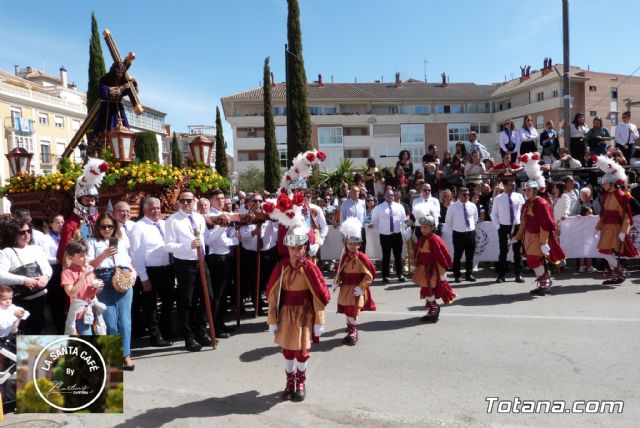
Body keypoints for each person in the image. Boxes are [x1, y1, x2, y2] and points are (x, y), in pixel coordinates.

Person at [266, 223, 330, 402]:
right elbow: (273, 293)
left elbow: (319, 296)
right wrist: (272, 319)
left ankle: (301, 382)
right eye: (291, 248)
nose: (295, 252)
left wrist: (320, 321)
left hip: (304, 314)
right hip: (286, 314)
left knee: (302, 350)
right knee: (287, 350)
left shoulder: (310, 268)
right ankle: (289, 381)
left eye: (298, 248)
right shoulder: (282, 267)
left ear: (305, 248)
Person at [165, 189, 214, 352]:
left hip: (201, 261)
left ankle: (201, 329)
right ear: (178, 202)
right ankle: (188, 336)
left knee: (209, 296)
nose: (186, 203)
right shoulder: (173, 221)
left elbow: (206, 238)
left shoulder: (199, 218)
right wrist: (188, 245)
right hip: (184, 263)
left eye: (189, 200)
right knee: (187, 301)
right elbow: (169, 245)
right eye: (183, 200)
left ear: (195, 201)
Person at [512, 153, 565, 295]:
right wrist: (516, 237)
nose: (526, 192)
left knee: (534, 259)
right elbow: (523, 223)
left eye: (528, 190)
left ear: (535, 190)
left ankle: (545, 281)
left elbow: (545, 224)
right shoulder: (527, 204)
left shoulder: (541, 203)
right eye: (525, 190)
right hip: (529, 237)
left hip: (538, 237)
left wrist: (543, 242)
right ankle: (543, 281)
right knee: (532, 261)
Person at [88, 211, 136, 369]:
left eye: (110, 226)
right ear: (98, 228)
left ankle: (126, 355)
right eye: (103, 227)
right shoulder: (92, 241)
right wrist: (104, 255)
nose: (107, 229)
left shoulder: (121, 240)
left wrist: (133, 273)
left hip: (123, 276)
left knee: (125, 319)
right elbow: (89, 265)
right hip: (103, 277)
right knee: (109, 320)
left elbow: (128, 260)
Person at [130, 197, 176, 347]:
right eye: (152, 208)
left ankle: (166, 330)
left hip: (167, 269)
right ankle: (155, 335)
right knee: (150, 306)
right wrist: (144, 278)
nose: (156, 211)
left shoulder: (164, 224)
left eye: (158, 208)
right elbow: (136, 255)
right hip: (150, 271)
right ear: (144, 210)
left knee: (168, 301)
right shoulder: (139, 227)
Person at [592, 155, 639, 284]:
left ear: (611, 183)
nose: (603, 185)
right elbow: (604, 214)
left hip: (615, 228)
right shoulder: (607, 195)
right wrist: (597, 228)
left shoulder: (621, 196)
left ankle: (620, 270)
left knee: (605, 252)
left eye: (605, 182)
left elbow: (626, 216)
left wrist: (624, 231)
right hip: (607, 227)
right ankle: (617, 274)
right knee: (606, 252)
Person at [0, 219, 51, 334]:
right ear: (13, 234)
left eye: (28, 231)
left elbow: (47, 268)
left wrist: (46, 277)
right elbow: (1, 275)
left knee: (37, 330)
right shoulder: (6, 252)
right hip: (21, 300)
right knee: (23, 333)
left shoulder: (36, 248)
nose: (26, 234)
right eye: (22, 232)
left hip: (40, 296)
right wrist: (24, 280)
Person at [57, 159, 109, 263]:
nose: (90, 203)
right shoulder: (70, 225)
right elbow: (65, 252)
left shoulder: (101, 220)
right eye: (87, 200)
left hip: (103, 263)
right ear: (80, 201)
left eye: (92, 200)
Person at [334, 217, 376, 345]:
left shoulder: (362, 258)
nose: (352, 246)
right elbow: (340, 272)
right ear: (346, 244)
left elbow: (370, 275)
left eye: (355, 244)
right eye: (350, 244)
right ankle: (350, 328)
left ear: (359, 245)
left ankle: (353, 331)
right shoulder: (345, 257)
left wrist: (361, 287)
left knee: (353, 310)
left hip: (357, 289)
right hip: (346, 288)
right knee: (347, 309)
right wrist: (337, 281)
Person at [411, 205, 456, 323]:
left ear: (432, 227)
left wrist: (442, 273)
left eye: (426, 227)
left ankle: (434, 308)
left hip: (432, 270)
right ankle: (431, 309)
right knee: (425, 289)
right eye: (422, 227)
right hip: (422, 268)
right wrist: (415, 263)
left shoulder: (435, 239)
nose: (423, 230)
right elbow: (417, 252)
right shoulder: (422, 239)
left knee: (428, 290)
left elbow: (441, 256)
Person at [203, 190, 238, 337]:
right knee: (217, 293)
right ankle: (215, 327)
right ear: (210, 200)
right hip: (215, 257)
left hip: (225, 257)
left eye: (222, 198)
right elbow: (210, 240)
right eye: (217, 198)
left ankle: (220, 323)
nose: (221, 201)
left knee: (223, 293)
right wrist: (233, 239)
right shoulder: (210, 217)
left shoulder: (225, 214)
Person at [61, 240, 106, 335]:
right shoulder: (68, 272)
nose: (85, 258)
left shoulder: (88, 270)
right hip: (80, 313)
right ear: (71, 257)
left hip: (93, 310)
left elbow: (90, 292)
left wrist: (97, 287)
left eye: (86, 254)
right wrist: (83, 276)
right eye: (81, 255)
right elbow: (71, 293)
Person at [369, 189, 407, 283]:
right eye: (388, 195)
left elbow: (403, 219)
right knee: (386, 256)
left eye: (391, 195)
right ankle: (385, 276)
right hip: (385, 235)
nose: (390, 197)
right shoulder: (379, 208)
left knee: (398, 256)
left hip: (397, 234)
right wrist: (371, 224)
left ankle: (400, 274)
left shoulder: (399, 206)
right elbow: (374, 220)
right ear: (384, 196)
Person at [491, 177, 525, 283]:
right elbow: (493, 214)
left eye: (514, 184)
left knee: (517, 251)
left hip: (517, 227)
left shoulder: (519, 196)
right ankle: (501, 275)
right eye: (510, 184)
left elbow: (523, 211)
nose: (513, 186)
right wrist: (499, 227)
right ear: (505, 186)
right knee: (503, 251)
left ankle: (518, 274)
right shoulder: (498, 198)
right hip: (504, 228)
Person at [445, 187, 478, 282]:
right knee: (458, 255)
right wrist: (458, 227)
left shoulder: (472, 206)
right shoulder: (453, 207)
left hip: (470, 233)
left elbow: (475, 219)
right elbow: (448, 221)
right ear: (459, 195)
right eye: (464, 194)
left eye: (468, 194)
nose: (467, 196)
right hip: (458, 234)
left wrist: (469, 228)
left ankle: (469, 274)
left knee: (470, 255)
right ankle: (457, 275)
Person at [41, 213, 66, 334]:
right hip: (55, 269)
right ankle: (60, 328)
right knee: (57, 301)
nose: (61, 225)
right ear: (51, 224)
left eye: (62, 222)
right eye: (57, 222)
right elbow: (45, 257)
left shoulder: (66, 236)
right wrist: (60, 259)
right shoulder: (46, 238)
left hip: (66, 268)